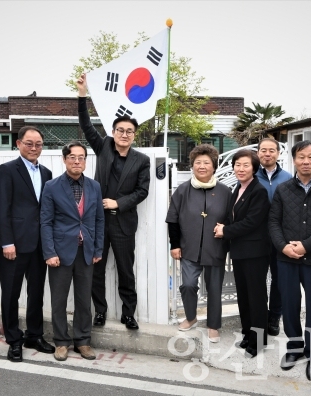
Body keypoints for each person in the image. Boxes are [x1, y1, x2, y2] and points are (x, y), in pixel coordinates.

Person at [76, 73, 150, 330]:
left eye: (130, 131)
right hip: (97, 221)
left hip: (124, 222)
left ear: (134, 135)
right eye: (121, 130)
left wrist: (118, 203)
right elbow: (86, 126)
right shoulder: (104, 146)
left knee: (125, 270)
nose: (125, 134)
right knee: (96, 268)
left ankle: (129, 313)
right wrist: (82, 95)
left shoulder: (142, 160)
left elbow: (142, 191)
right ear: (113, 131)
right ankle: (100, 311)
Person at [268, 140, 311, 381]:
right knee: (289, 305)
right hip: (286, 258)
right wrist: (284, 246)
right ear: (294, 160)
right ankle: (295, 348)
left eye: (310, 157)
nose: (306, 161)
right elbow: (274, 221)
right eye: (301, 157)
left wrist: (306, 245)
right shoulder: (283, 189)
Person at [40, 141, 104, 362]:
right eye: (72, 157)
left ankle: (83, 340)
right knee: (58, 299)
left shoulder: (94, 186)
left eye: (81, 157)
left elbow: (98, 220)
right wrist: (49, 252)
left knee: (84, 300)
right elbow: (45, 222)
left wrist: (98, 248)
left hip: (85, 251)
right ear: (64, 159)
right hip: (60, 251)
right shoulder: (51, 186)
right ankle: (61, 342)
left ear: (86, 161)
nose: (77, 161)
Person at [0, 126, 53, 362]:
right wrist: (6, 242)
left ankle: (34, 335)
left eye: (38, 144)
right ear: (18, 144)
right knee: (11, 293)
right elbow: (2, 209)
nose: (33, 148)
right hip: (14, 245)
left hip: (40, 245)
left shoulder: (47, 173)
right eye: (29, 143)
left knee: (36, 293)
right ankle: (13, 339)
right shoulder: (7, 170)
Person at [166, 144, 232, 343]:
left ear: (214, 166)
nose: (202, 166)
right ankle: (191, 317)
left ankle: (213, 325)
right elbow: (173, 219)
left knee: (214, 288)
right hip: (189, 248)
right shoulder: (182, 190)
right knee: (187, 285)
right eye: (198, 163)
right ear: (192, 165)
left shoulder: (225, 191)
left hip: (215, 248)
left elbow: (231, 219)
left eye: (206, 163)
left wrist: (225, 232)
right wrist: (175, 245)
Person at [213, 149, 270, 357]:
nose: (241, 169)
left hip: (255, 252)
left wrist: (225, 231)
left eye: (246, 165)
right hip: (239, 251)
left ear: (254, 168)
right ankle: (248, 333)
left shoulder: (259, 191)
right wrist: (223, 226)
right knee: (244, 296)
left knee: (256, 297)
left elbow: (251, 222)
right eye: (237, 165)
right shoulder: (237, 188)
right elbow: (234, 217)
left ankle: (259, 340)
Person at [255, 137, 292, 337]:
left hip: (281, 238)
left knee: (279, 280)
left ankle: (274, 316)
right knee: (258, 279)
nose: (267, 154)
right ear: (258, 153)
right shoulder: (251, 175)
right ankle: (260, 316)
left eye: (271, 150)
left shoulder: (287, 177)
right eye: (263, 150)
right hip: (257, 238)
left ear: (278, 153)